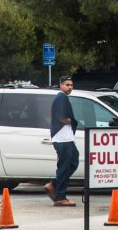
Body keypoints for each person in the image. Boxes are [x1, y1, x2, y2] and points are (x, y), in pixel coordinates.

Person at [44, 75, 79, 206]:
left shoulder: (63, 98)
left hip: (66, 137)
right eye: (67, 85)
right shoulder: (61, 97)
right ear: (61, 85)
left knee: (73, 161)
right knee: (65, 165)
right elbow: (62, 117)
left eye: (71, 85)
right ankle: (60, 196)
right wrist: (72, 121)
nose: (70, 87)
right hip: (62, 137)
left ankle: (53, 184)